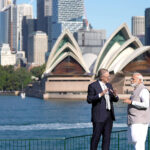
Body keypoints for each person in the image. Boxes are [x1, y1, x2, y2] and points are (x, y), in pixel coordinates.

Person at [87, 68, 119, 150]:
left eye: (109, 76)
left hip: (109, 117)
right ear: (101, 77)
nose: (109, 78)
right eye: (107, 76)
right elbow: (89, 100)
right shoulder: (92, 86)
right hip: (99, 117)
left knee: (107, 139)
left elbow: (115, 100)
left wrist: (115, 95)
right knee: (96, 138)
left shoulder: (109, 85)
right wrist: (100, 94)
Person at [123, 72, 150, 150]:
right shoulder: (136, 90)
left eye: (133, 79)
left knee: (138, 142)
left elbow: (146, 104)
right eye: (131, 78)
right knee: (138, 143)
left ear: (140, 80)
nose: (131, 80)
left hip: (139, 121)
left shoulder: (143, 90)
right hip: (136, 120)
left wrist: (131, 102)